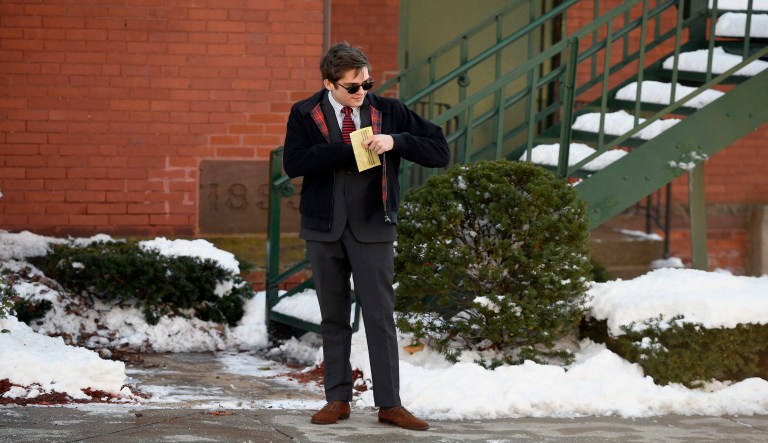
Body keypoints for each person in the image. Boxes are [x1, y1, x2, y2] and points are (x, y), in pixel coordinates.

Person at [282, 42, 450, 431]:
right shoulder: (305, 112)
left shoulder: (389, 111)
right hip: (323, 227)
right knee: (333, 316)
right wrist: (350, 149)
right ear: (329, 83)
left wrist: (395, 141)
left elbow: (439, 151)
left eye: (367, 83)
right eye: (352, 86)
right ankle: (337, 399)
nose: (362, 92)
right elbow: (294, 162)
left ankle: (390, 404)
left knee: (379, 316)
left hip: (374, 225)